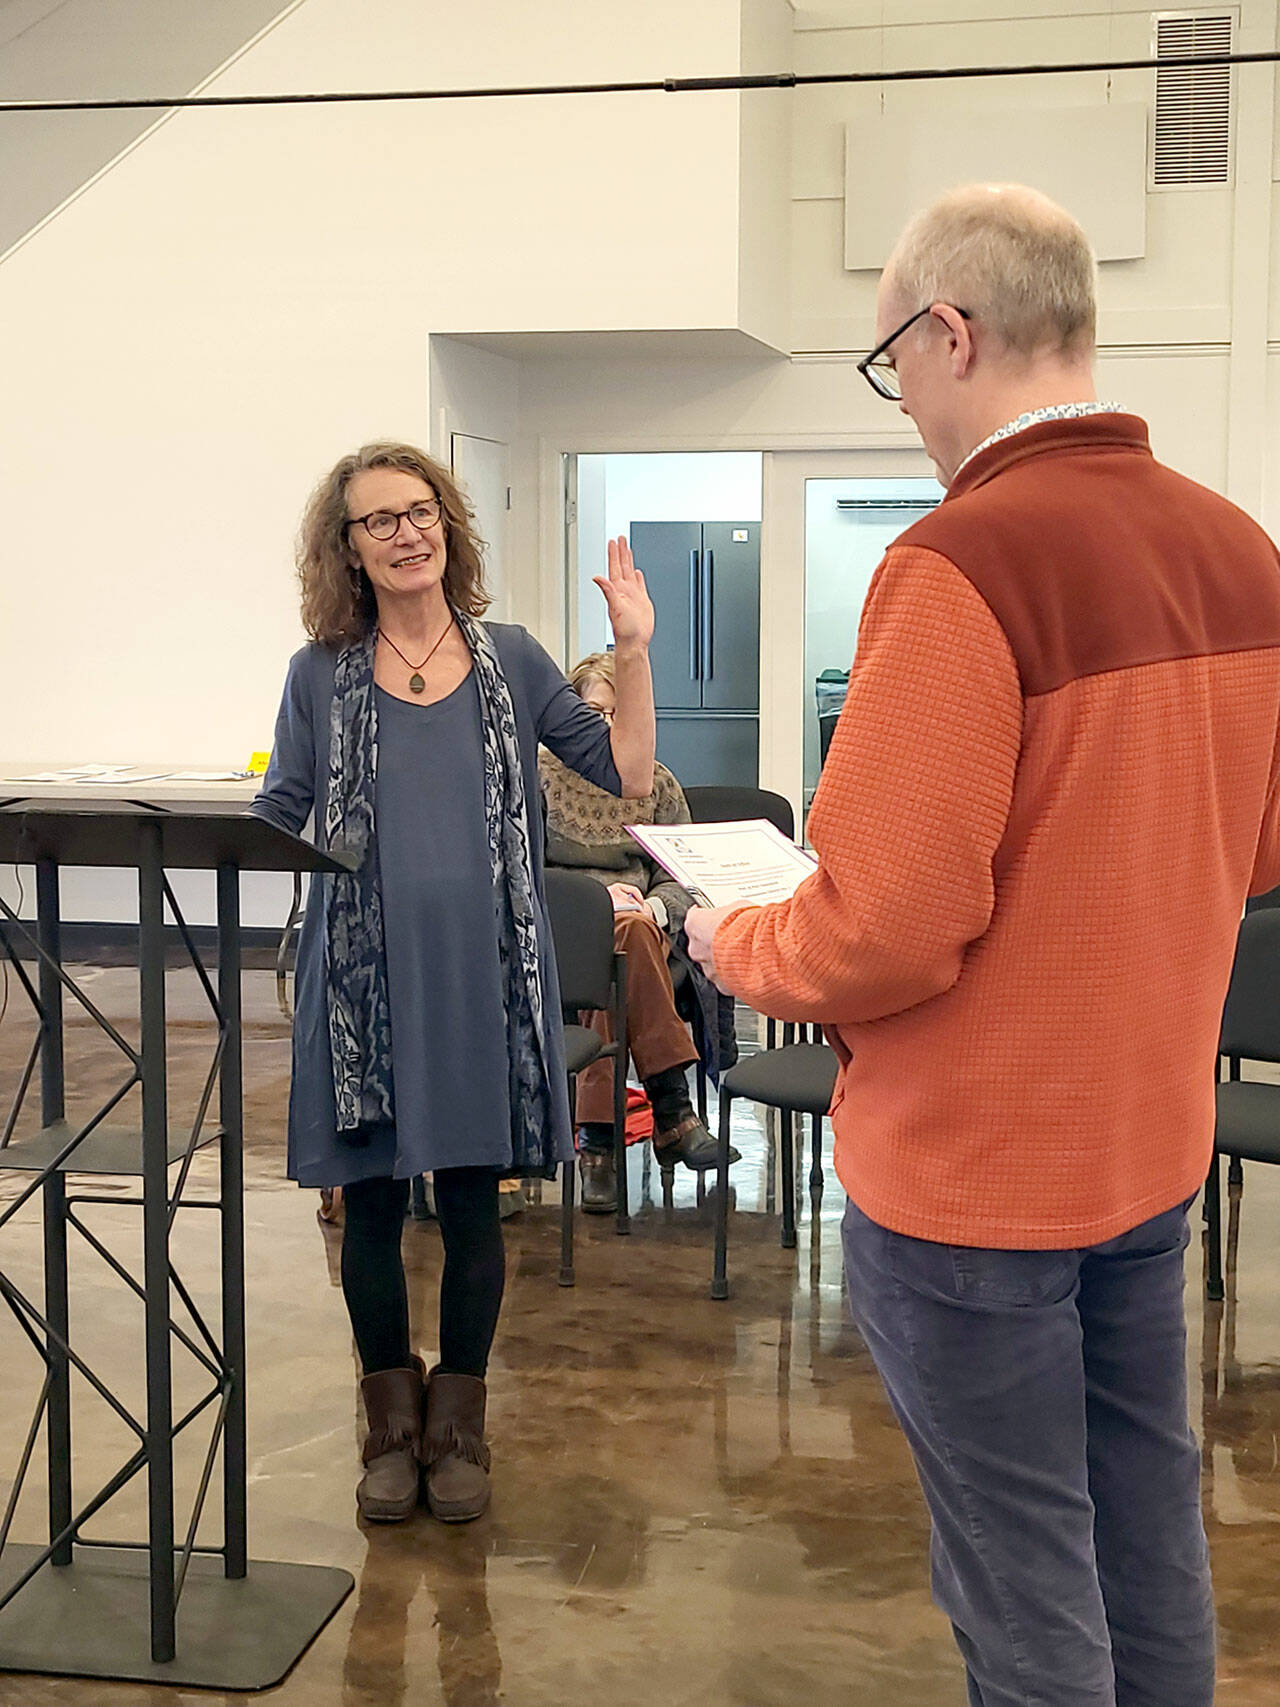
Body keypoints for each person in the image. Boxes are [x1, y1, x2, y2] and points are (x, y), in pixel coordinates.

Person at [685, 184, 1280, 1707]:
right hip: (1149, 1150)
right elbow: (1255, 850)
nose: (905, 407)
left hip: (978, 1188)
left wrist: (732, 935)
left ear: (951, 332)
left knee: (1021, 1591)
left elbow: (883, 929)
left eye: (896, 365)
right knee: (1146, 1534)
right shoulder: (1239, 551)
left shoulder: (958, 565)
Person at [253, 441, 654, 1525]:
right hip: (362, 988)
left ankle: (458, 1428)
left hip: (481, 978)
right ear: (346, 548)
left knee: (474, 1208)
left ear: (447, 525)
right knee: (373, 1208)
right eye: (378, 520)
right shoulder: (318, 676)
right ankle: (389, 1426)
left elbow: (622, 778)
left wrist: (630, 647)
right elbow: (281, 810)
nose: (404, 533)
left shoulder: (510, 658)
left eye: (419, 511)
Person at [539, 650, 739, 1212]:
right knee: (611, 941)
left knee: (623, 944)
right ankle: (672, 1111)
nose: (605, 727)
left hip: (646, 937)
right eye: (593, 713)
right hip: (562, 933)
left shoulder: (656, 782)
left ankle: (596, 1142)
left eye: (617, 715)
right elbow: (521, 869)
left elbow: (681, 876)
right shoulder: (539, 775)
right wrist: (592, 901)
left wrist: (654, 909)